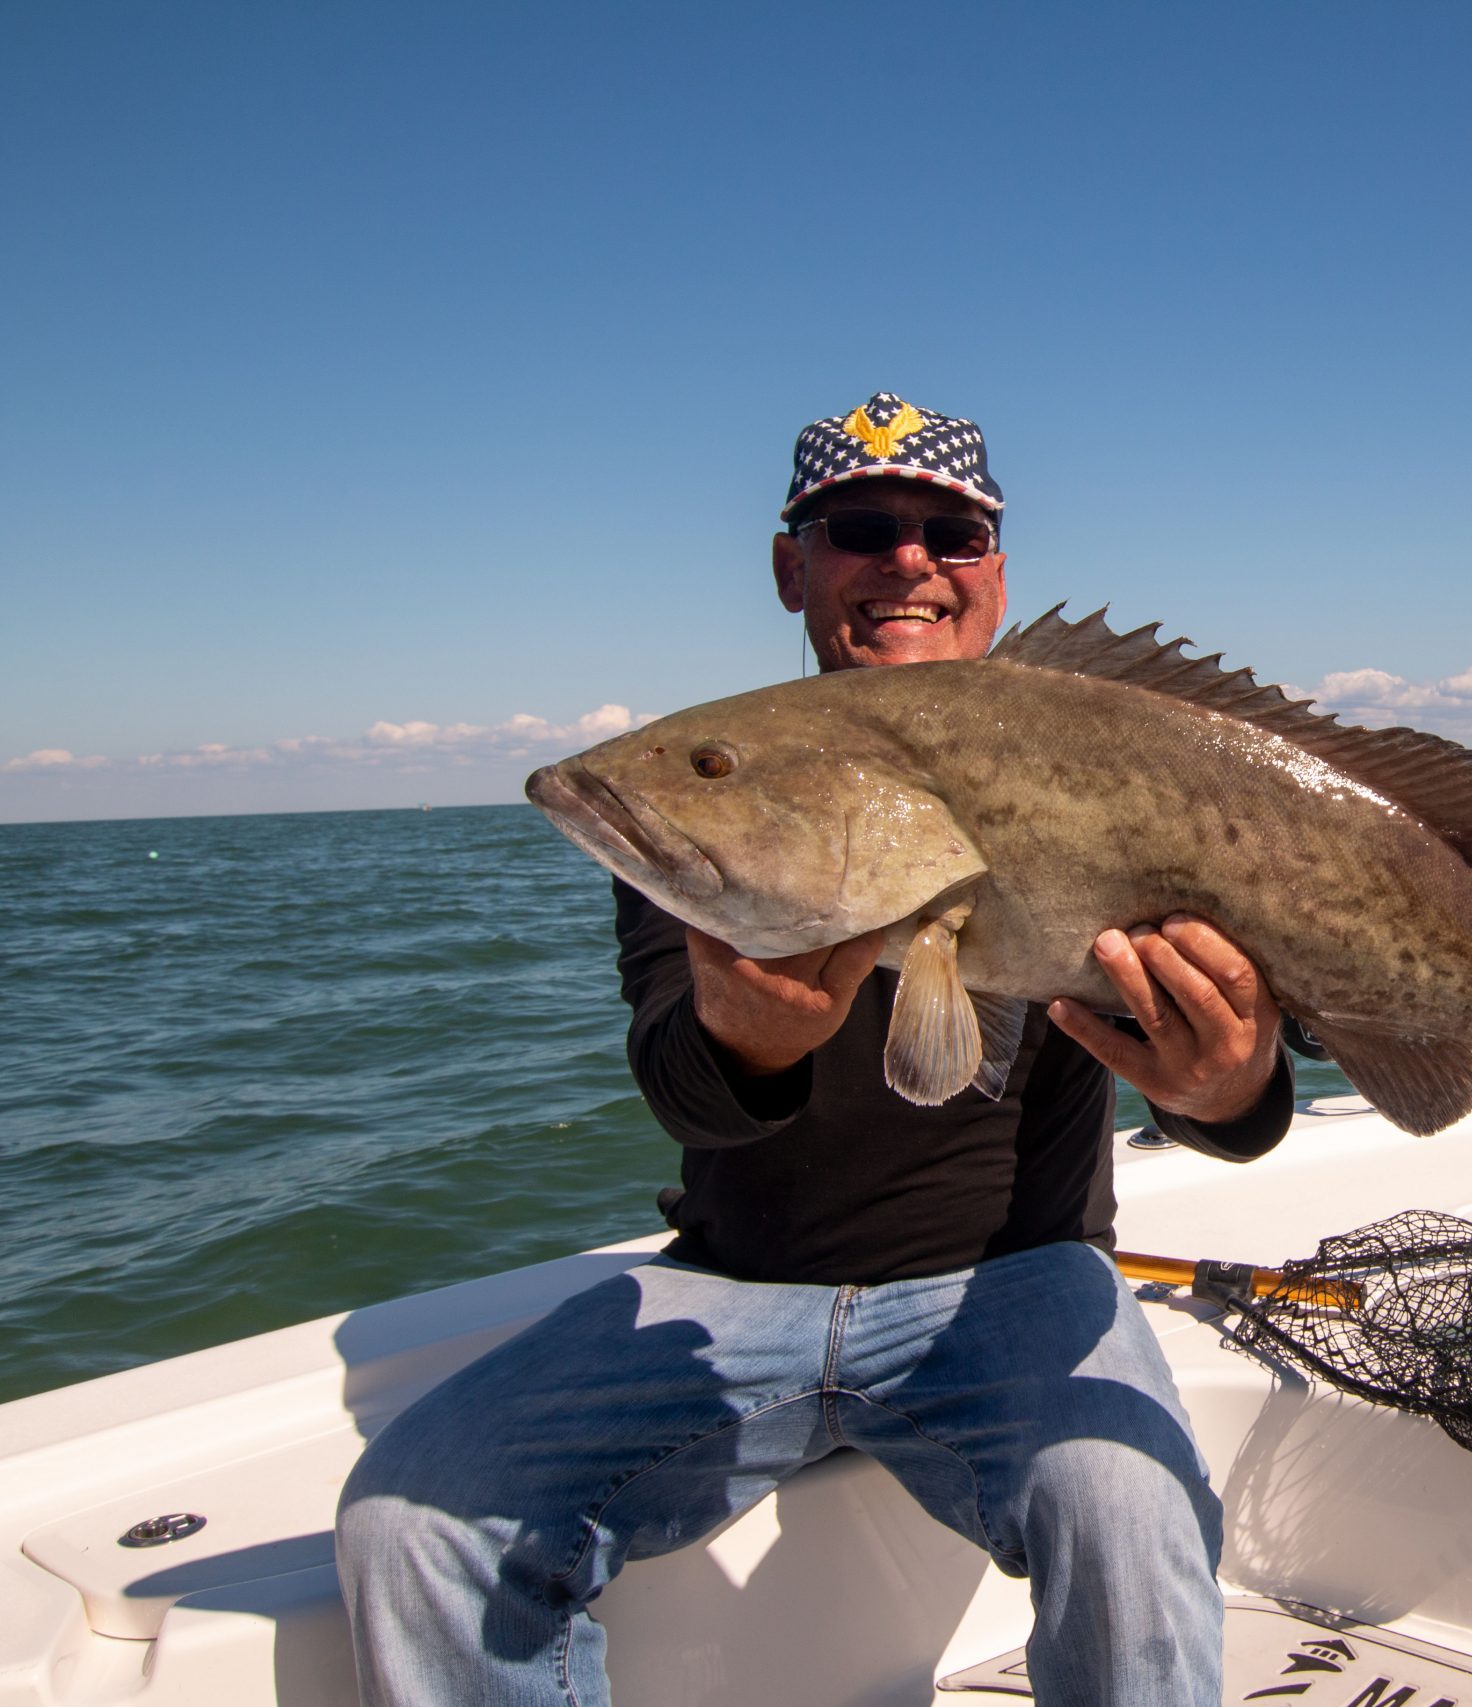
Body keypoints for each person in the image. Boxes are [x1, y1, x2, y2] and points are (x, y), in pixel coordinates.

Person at [336, 394, 1293, 1706]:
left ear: (996, 572)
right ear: (794, 566)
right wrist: (744, 1040)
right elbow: (680, 1082)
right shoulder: (714, 789)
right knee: (416, 1515)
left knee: (1131, 1516)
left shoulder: (1103, 759)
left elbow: (1230, 1097)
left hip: (1014, 1284)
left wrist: (1229, 1090)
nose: (908, 561)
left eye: (949, 534)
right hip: (731, 1293)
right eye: (859, 527)